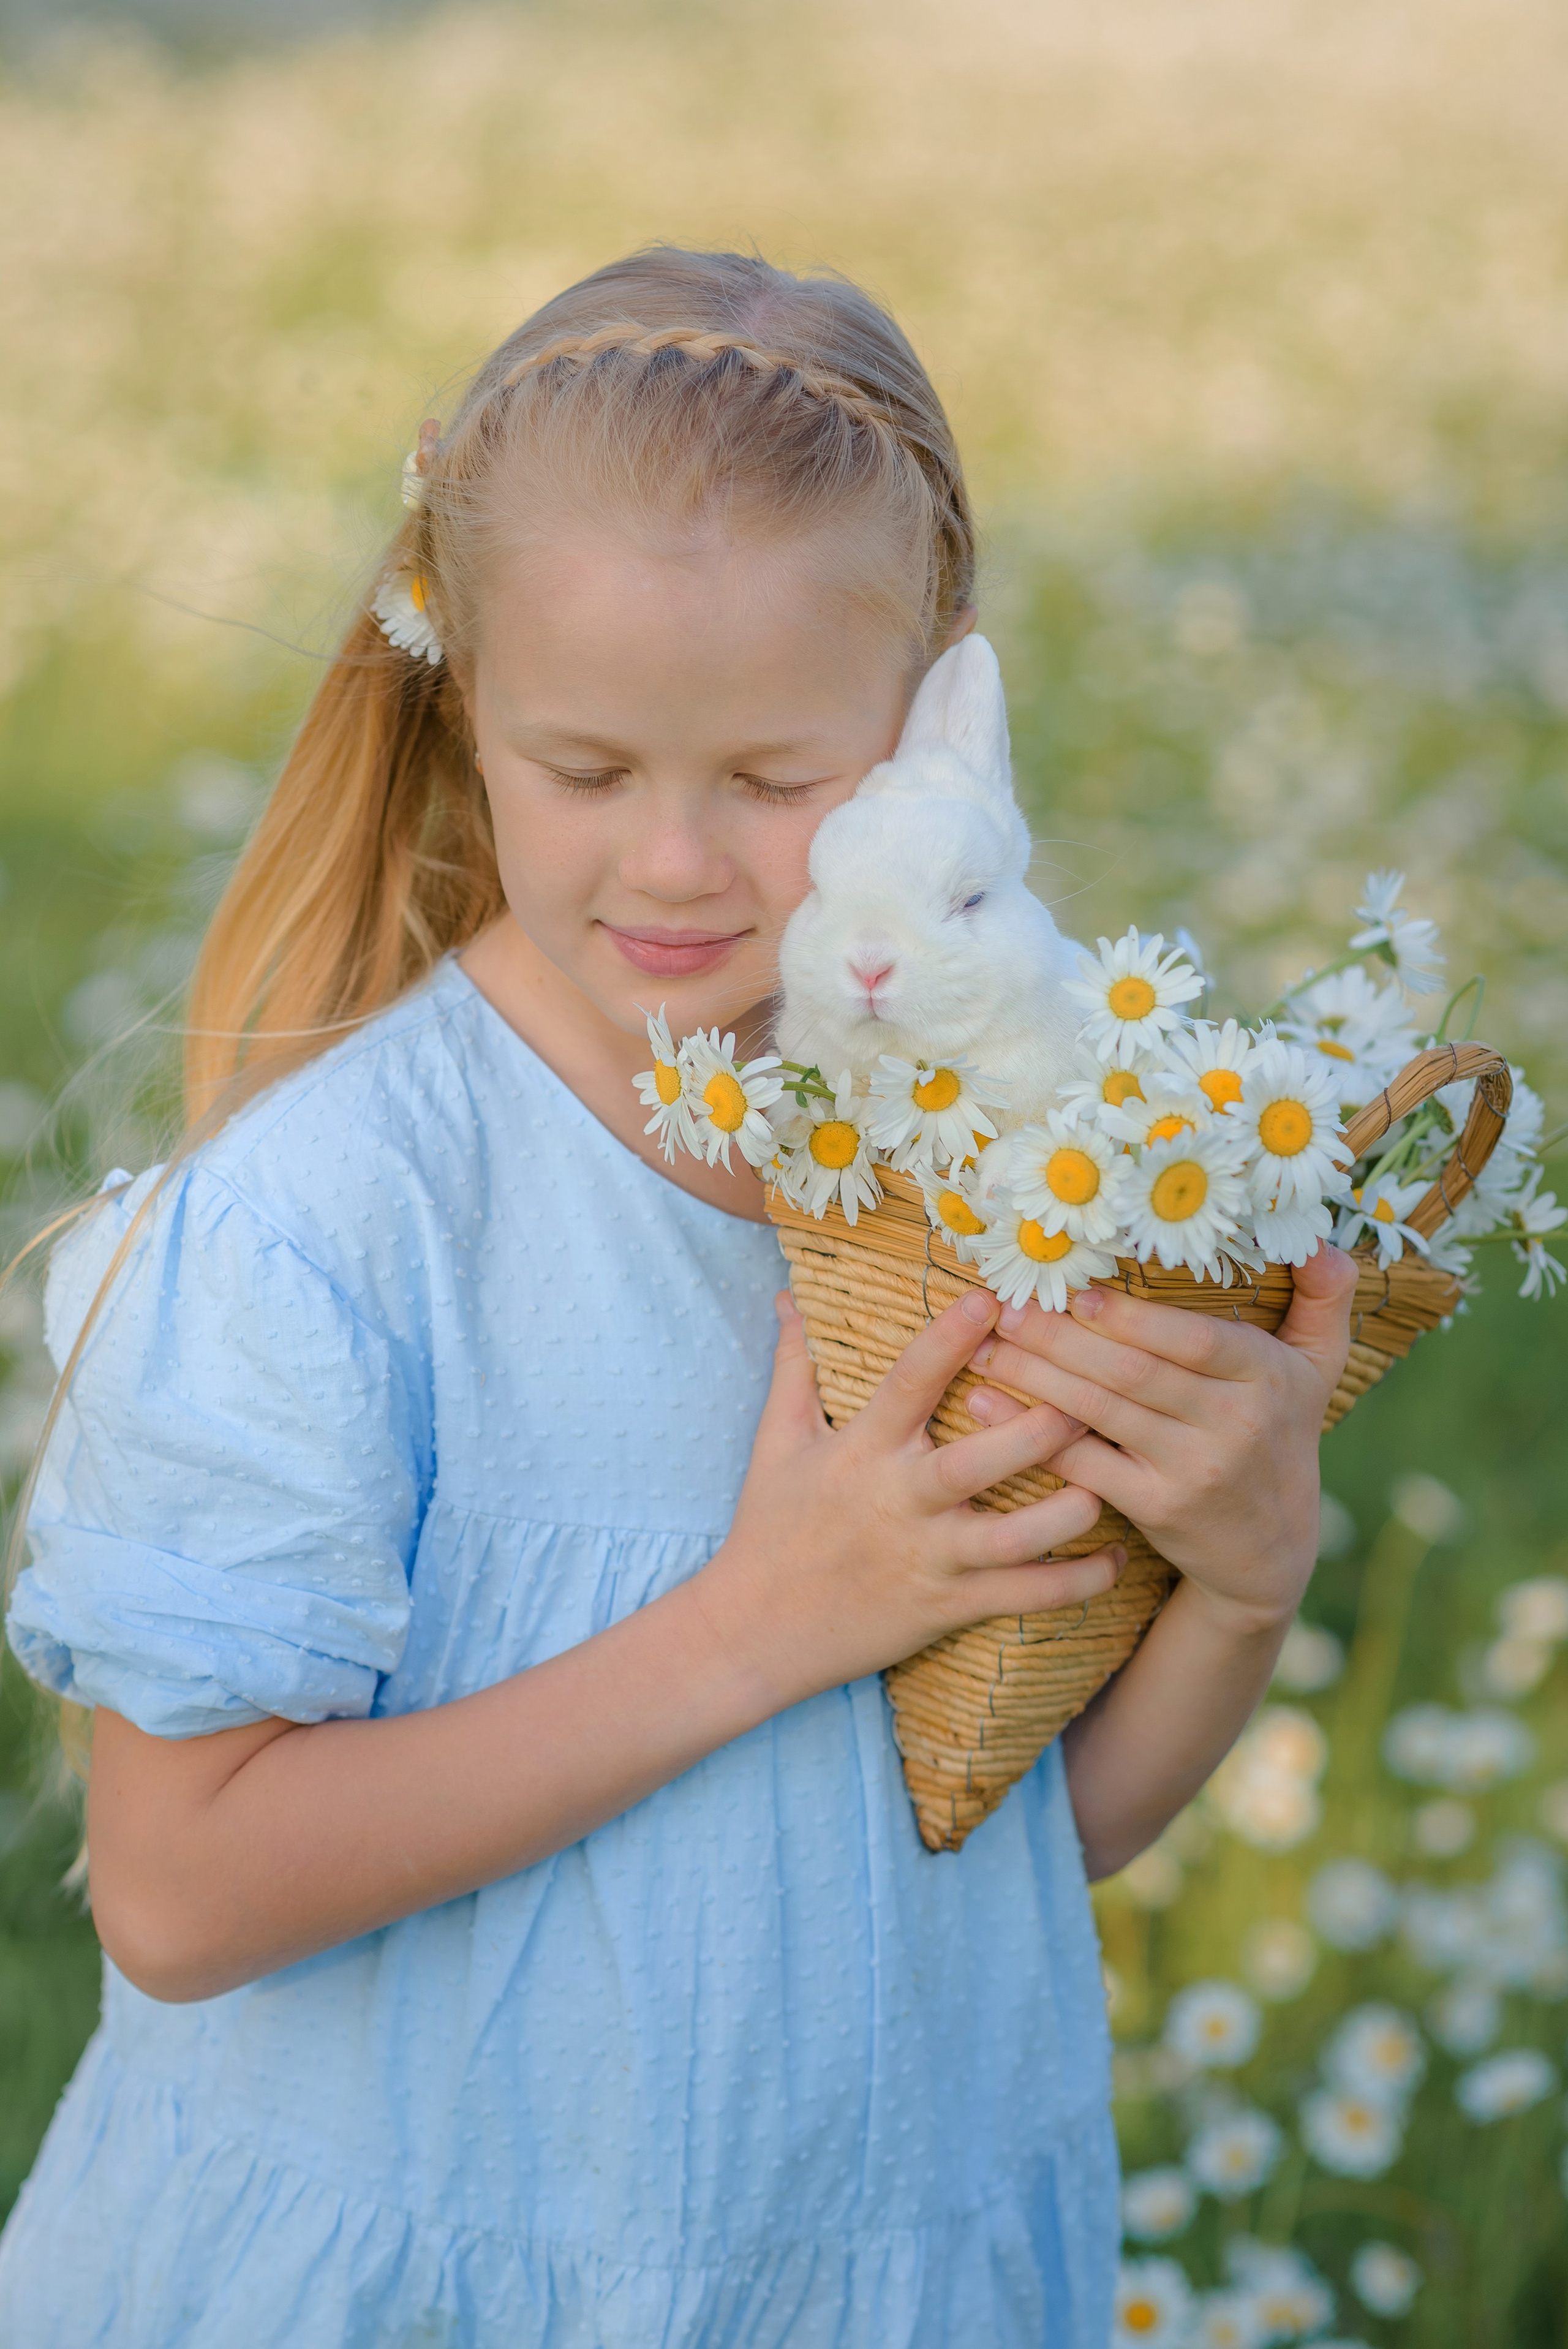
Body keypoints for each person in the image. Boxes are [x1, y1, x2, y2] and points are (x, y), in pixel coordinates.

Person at [0, 246, 1355, 2347]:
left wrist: (1245, 1580)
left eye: (776, 778)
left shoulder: (995, 1175)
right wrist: (760, 1623)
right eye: (588, 768)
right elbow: (179, 1895)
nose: (676, 863)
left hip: (868, 2275)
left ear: (937, 719)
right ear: (463, 700)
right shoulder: (336, 1220)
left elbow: (1008, 1830)